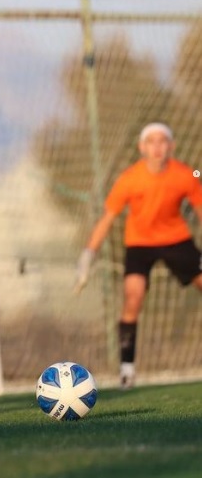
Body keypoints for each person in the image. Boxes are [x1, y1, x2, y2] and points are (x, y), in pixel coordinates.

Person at [75, 122, 202, 389]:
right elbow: (107, 219)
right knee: (133, 298)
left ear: (172, 146)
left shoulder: (186, 175)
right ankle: (127, 371)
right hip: (140, 244)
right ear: (142, 147)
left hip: (177, 239)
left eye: (162, 141)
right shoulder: (129, 179)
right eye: (151, 142)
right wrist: (88, 255)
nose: (157, 147)